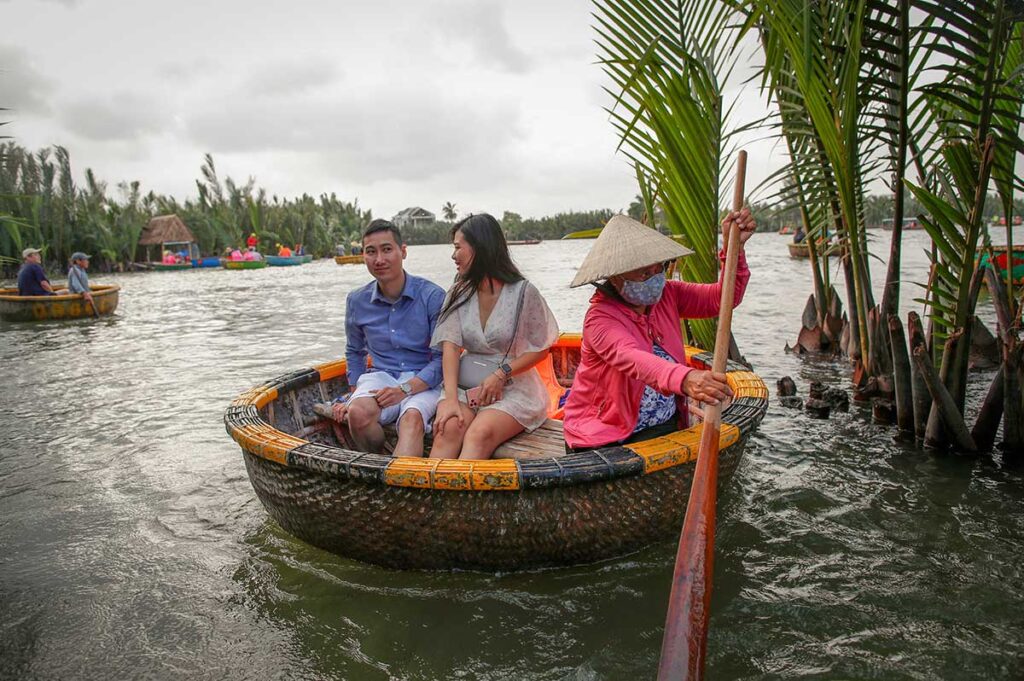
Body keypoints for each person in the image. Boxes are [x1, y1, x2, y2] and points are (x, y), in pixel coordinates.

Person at [562, 212, 755, 451]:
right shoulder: (600, 318)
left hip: (661, 423)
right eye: (644, 273)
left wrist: (733, 247)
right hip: (604, 431)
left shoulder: (669, 295)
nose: (654, 279)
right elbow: (632, 357)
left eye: (659, 269)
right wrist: (685, 378)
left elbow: (724, 298)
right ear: (615, 278)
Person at [430, 213, 559, 460]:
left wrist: (502, 374)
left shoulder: (523, 292)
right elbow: (450, 347)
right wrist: (449, 400)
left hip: (515, 387)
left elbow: (541, 347)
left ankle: (462, 498)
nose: (453, 255)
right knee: (448, 428)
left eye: (458, 247)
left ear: (480, 248)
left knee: (480, 432)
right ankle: (432, 496)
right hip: (468, 386)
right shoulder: (459, 292)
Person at [331, 219, 446, 457]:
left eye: (387, 249)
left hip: (425, 381)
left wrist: (404, 389)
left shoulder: (432, 296)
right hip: (382, 377)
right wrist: (354, 393)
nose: (379, 260)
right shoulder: (357, 301)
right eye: (371, 252)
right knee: (357, 414)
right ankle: (378, 460)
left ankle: (397, 488)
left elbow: (442, 359)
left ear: (402, 251)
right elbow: (355, 351)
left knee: (411, 420)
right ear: (363, 255)